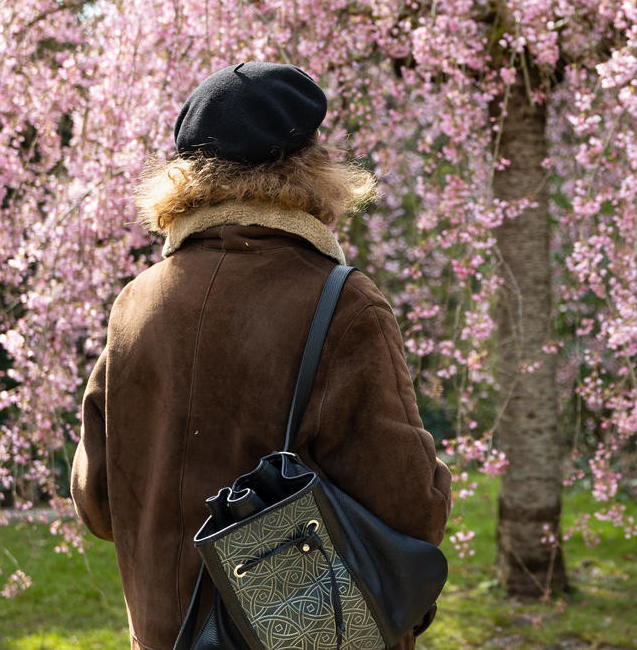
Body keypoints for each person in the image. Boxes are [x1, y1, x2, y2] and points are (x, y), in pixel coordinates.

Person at [71, 61, 452, 650]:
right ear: (312, 168)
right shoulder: (341, 302)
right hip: (310, 634)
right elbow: (407, 503)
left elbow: (97, 503)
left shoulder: (135, 305)